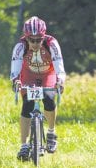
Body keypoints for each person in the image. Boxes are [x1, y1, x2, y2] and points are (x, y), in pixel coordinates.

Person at [10, 16, 66, 160]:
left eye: (38, 40)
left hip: (48, 74)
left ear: (43, 37)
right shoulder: (20, 46)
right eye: (31, 40)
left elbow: (59, 64)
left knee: (48, 98)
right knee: (27, 104)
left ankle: (51, 133)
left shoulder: (51, 43)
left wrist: (60, 80)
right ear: (26, 38)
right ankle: (24, 145)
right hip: (28, 74)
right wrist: (16, 81)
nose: (35, 43)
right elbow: (15, 68)